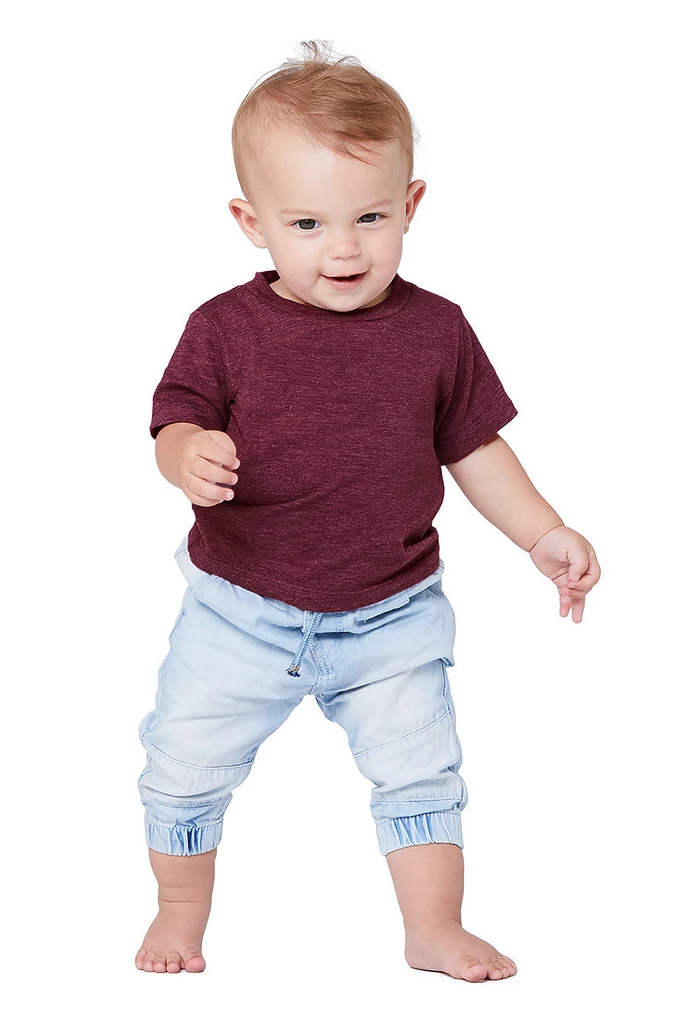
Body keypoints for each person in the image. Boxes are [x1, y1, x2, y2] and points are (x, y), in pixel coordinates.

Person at [135, 41, 601, 980]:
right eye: (306, 223)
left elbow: (474, 448)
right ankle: (178, 912)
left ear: (410, 206)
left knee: (422, 770)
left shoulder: (436, 329)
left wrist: (542, 532)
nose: (343, 248)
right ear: (252, 223)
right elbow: (171, 422)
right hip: (239, 609)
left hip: (392, 613)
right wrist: (185, 453)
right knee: (182, 760)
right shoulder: (224, 328)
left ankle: (432, 926)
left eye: (370, 217)